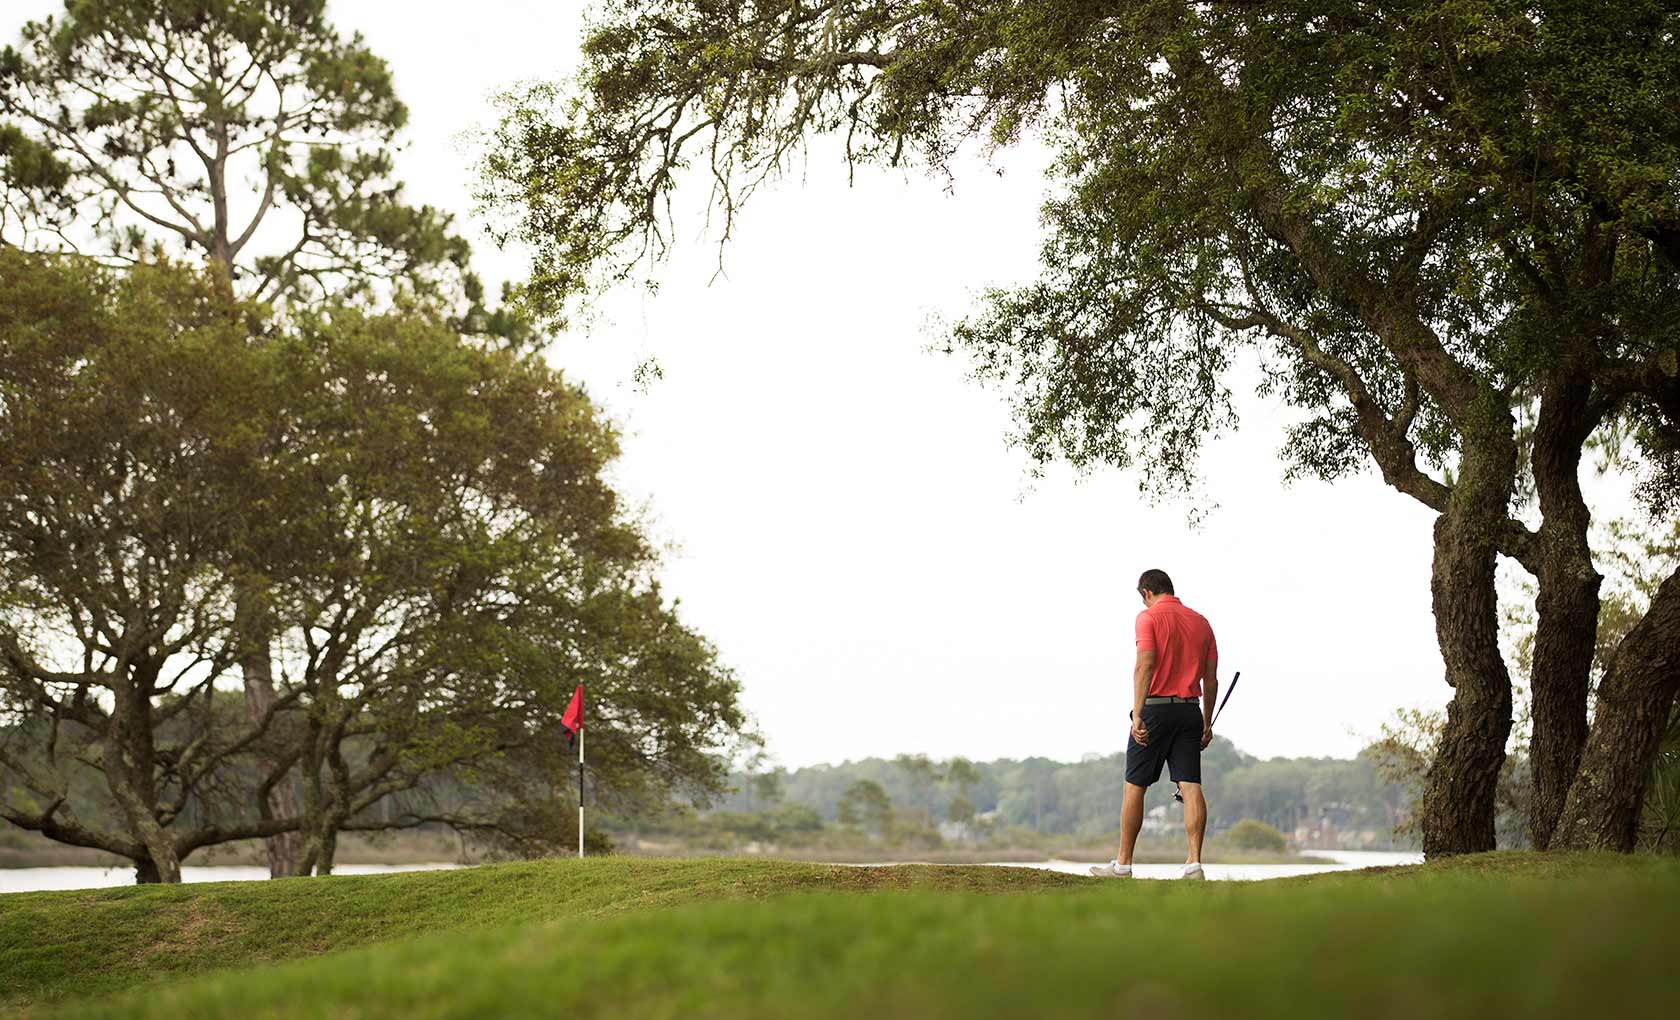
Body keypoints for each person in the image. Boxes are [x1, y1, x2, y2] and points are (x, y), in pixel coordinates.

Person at [1090, 568, 1218, 880]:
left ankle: (1123, 865)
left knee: (1134, 785)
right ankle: (1194, 864)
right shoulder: (1201, 622)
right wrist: (1206, 722)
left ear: (1147, 593)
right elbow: (1211, 679)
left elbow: (1145, 664)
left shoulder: (1147, 618)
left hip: (1156, 710)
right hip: (1190, 711)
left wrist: (1137, 714)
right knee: (1190, 785)